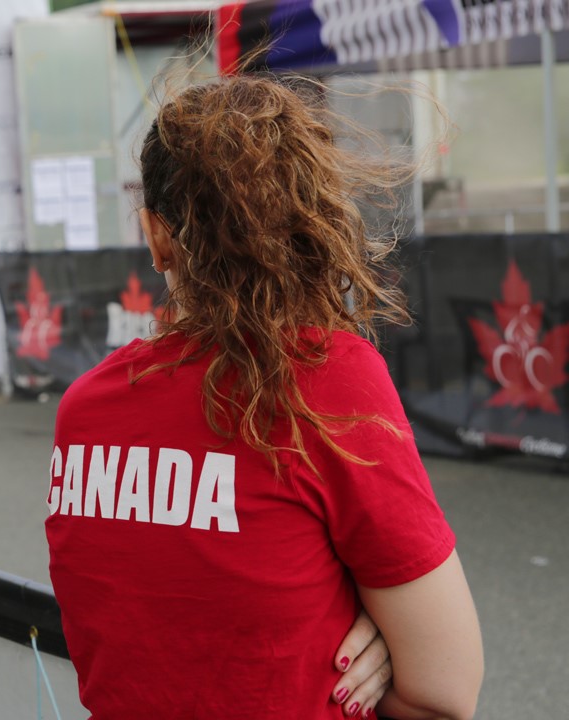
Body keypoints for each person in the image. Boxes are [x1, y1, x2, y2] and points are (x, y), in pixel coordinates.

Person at [45, 75, 483, 719]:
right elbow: (445, 693)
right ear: (313, 219)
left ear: (157, 234)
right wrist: (377, 636)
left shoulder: (82, 410)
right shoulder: (328, 376)